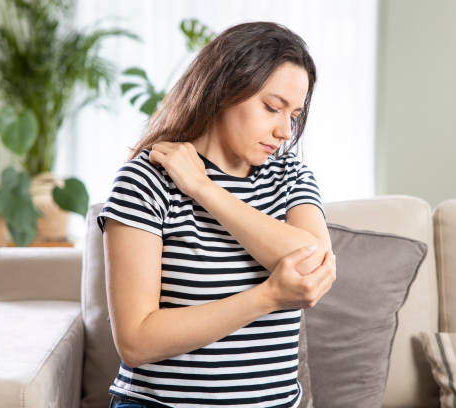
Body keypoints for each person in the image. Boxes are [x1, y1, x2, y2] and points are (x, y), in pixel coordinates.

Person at [97, 21, 336, 408]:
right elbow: (136, 341)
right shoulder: (146, 179)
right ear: (224, 88)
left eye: (293, 114)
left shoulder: (290, 176)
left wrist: (204, 189)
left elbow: (313, 264)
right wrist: (268, 297)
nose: (284, 131)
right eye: (272, 107)